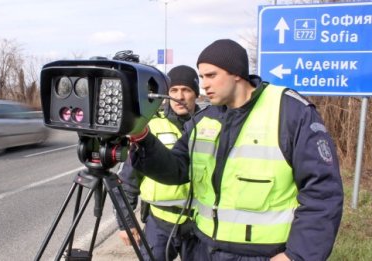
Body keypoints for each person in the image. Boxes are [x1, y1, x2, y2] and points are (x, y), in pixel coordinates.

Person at [128, 39, 344, 261]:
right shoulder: (204, 120)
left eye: (211, 76)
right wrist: (142, 138)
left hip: (263, 254)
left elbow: (323, 190)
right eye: (202, 77)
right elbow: (176, 170)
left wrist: (298, 255)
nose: (204, 85)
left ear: (237, 74)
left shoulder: (289, 111)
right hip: (203, 248)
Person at [114, 65, 202, 261]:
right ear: (165, 94)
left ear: (196, 93)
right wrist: (126, 224)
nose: (180, 96)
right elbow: (127, 181)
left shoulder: (209, 125)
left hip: (200, 225)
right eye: (174, 90)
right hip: (159, 223)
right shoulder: (149, 127)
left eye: (186, 90)